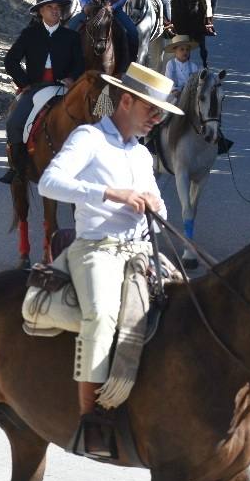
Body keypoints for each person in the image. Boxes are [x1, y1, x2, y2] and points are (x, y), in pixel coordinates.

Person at [38, 63, 180, 455]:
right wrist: (110, 194)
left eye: (161, 113)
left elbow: (162, 209)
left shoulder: (142, 154)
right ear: (127, 100)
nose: (157, 118)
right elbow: (50, 182)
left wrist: (154, 205)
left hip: (140, 250)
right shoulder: (89, 137)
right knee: (101, 316)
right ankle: (92, 420)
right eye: (151, 109)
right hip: (97, 248)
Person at [2, 0, 85, 184]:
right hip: (36, 88)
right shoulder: (29, 34)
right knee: (14, 123)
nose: (55, 11)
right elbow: (10, 60)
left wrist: (72, 78)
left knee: (89, 118)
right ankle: (18, 167)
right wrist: (25, 83)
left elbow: (80, 64)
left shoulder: (71, 36)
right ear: (41, 11)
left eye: (58, 8)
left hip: (64, 88)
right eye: (50, 7)